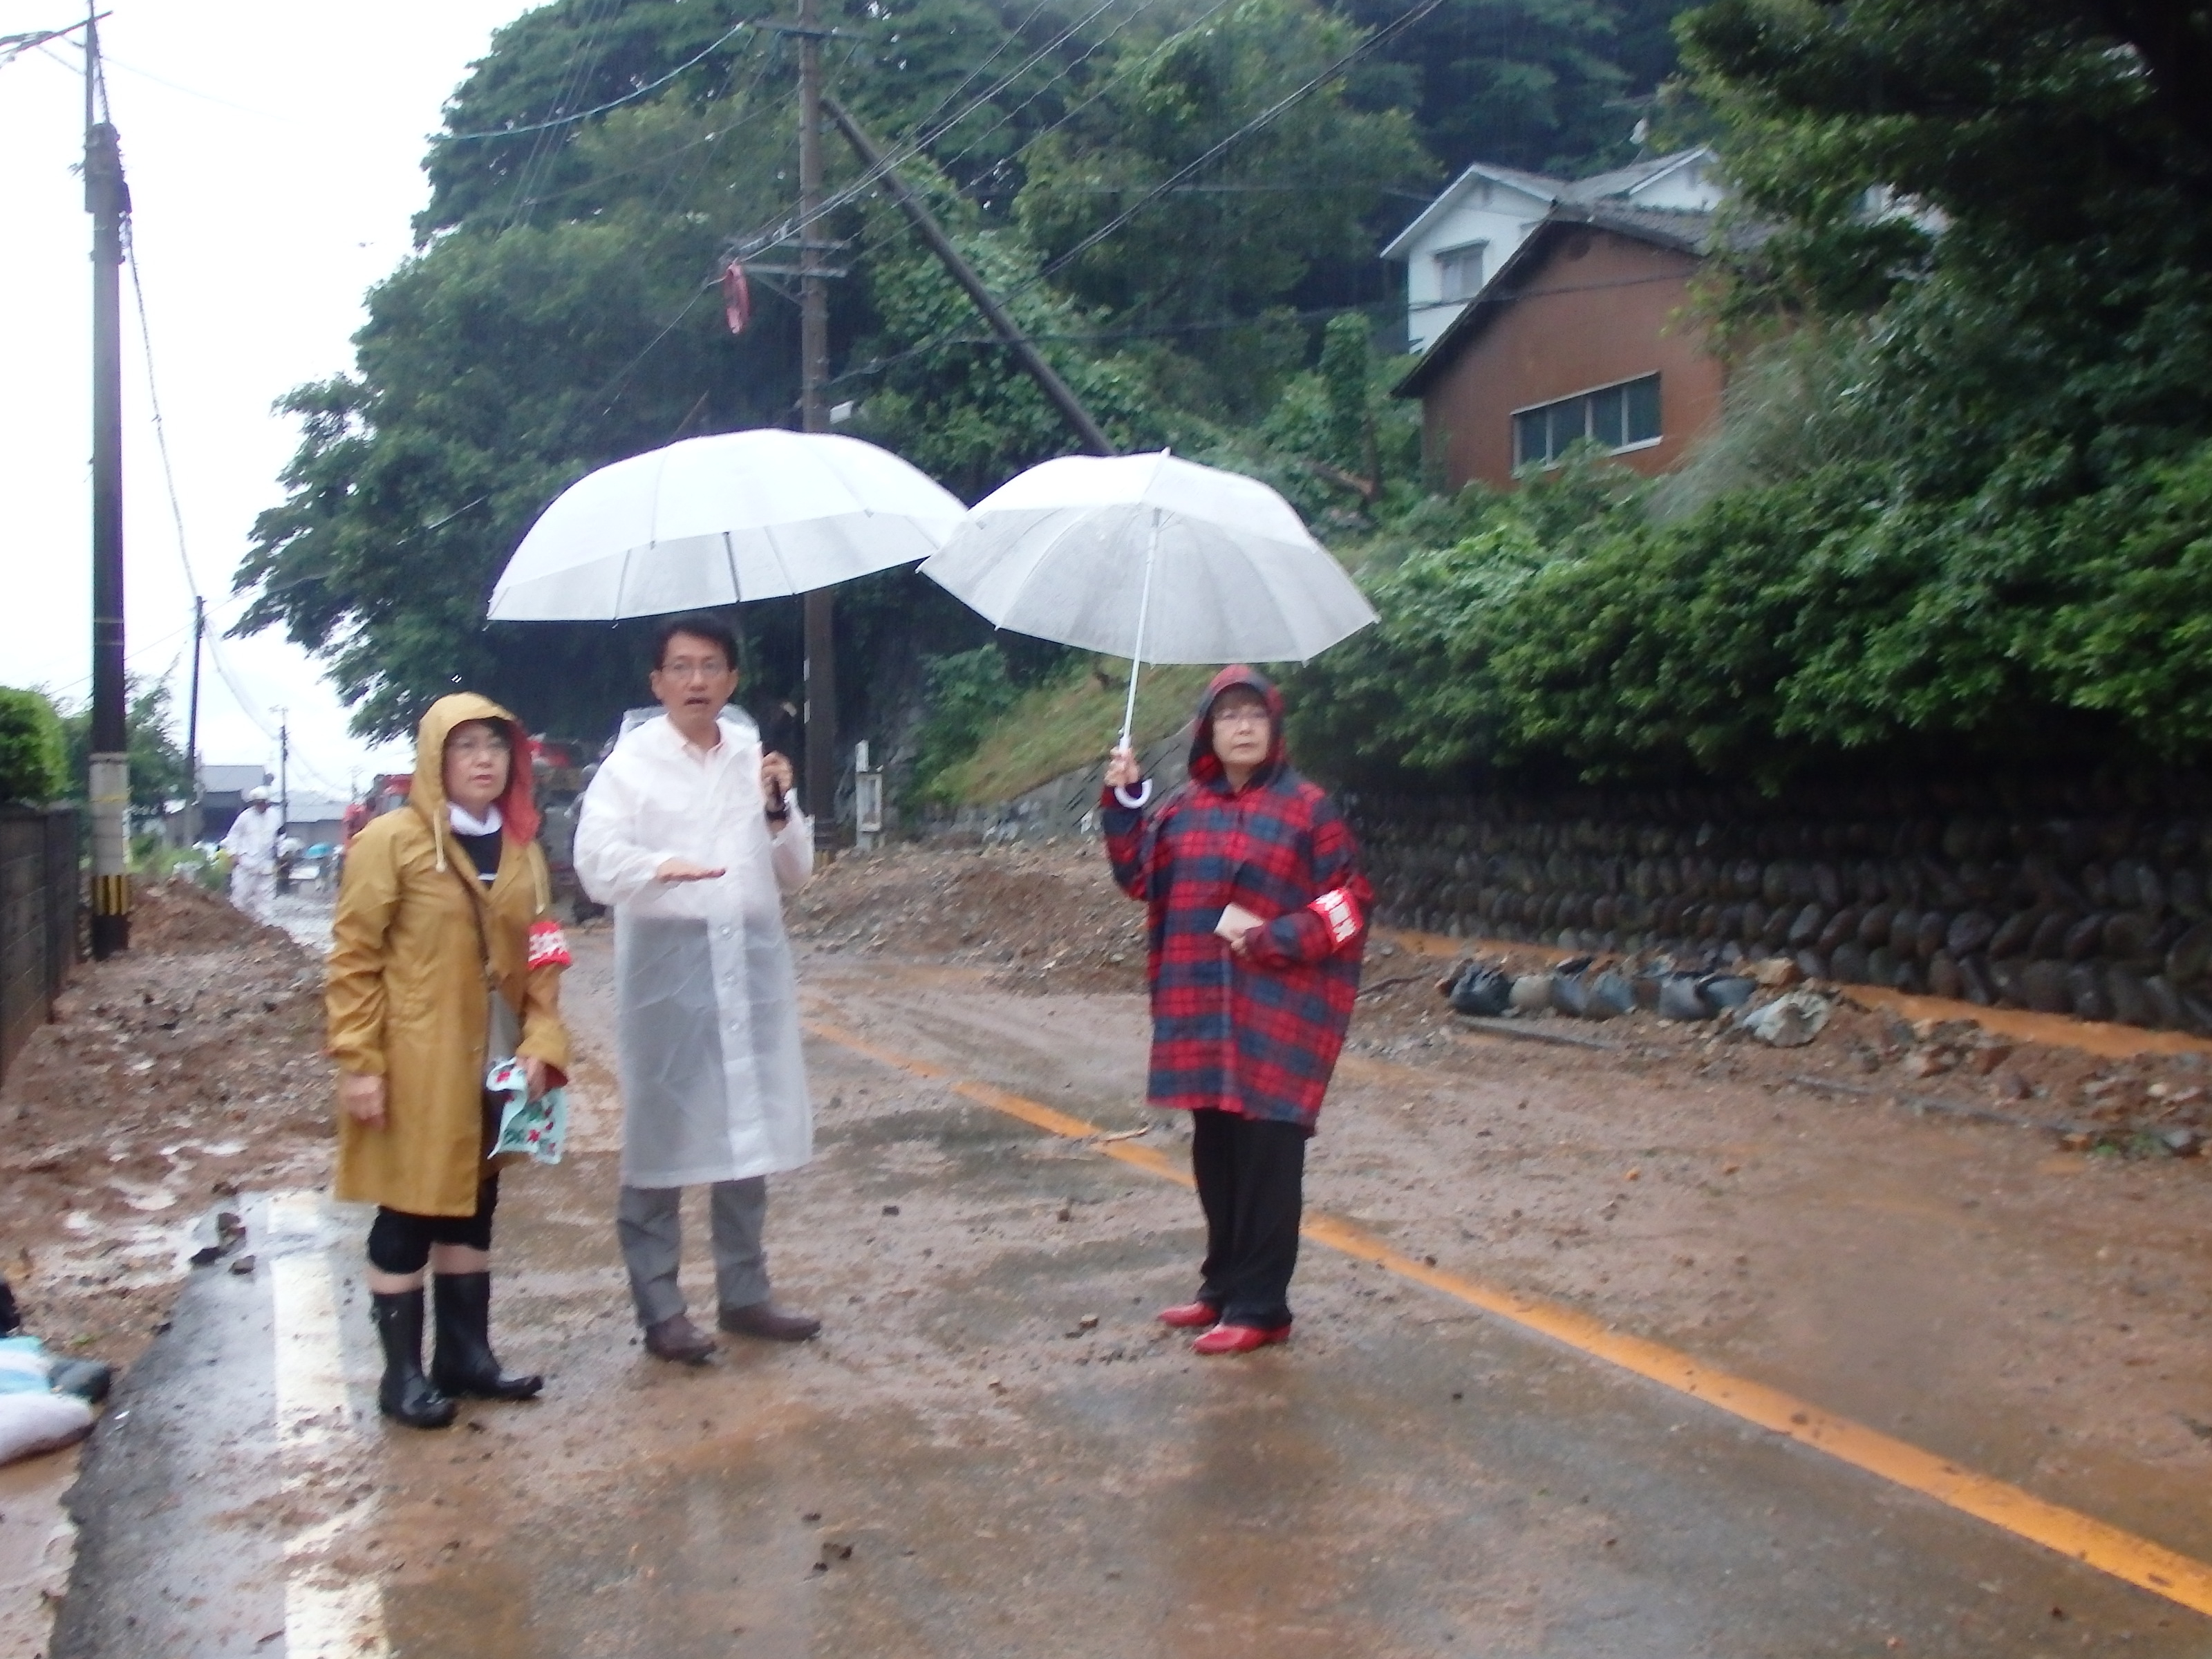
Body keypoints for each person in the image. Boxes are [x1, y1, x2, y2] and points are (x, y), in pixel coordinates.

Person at [573, 615, 821, 1364]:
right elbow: (593, 861)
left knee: (745, 1124)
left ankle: (745, 1294)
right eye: (679, 668)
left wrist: (779, 806)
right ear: (656, 684)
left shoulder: (753, 755)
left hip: (746, 958)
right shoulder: (631, 765)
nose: (695, 681)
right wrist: (659, 867)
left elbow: (795, 872)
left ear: (731, 679)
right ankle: (662, 1310)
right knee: (664, 1130)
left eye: (710, 666)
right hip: (668, 963)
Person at [1101, 667, 1371, 1356]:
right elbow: (1138, 876)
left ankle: (1262, 1305)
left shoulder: (1309, 809)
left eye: (1254, 714)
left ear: (1274, 728)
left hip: (1280, 1013)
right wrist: (1123, 799)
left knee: (1267, 1156)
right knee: (1215, 1150)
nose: (1242, 726)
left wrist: (1277, 938)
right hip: (1200, 1010)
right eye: (1228, 716)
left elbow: (1351, 903)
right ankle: (1220, 1287)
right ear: (1207, 732)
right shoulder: (1181, 812)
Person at [326, 695, 572, 1429]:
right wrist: (359, 1062)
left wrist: (544, 1042)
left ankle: (465, 1357)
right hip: (415, 1061)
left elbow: (544, 951)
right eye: (464, 747)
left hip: (498, 1058)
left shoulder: (523, 847)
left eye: (494, 747)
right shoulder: (391, 842)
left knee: (474, 1206)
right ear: (435, 759)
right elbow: (353, 960)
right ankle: (399, 1377)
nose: (482, 760)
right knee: (406, 1211)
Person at [221, 786, 281, 923]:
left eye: (264, 802)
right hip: (246, 865)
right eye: (259, 803)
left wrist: (281, 854)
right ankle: (238, 925)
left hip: (266, 866)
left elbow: (279, 837)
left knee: (266, 901)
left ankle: (266, 928)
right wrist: (233, 854)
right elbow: (233, 836)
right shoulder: (245, 817)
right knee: (240, 898)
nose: (262, 805)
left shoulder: (275, 816)